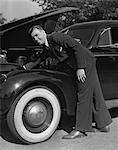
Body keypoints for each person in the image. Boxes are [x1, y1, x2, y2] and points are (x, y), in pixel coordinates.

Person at [25, 25, 112, 139]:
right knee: (95, 92)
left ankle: (80, 129)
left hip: (84, 62)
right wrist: (26, 67)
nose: (36, 39)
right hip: (85, 62)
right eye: (33, 38)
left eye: (37, 35)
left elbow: (77, 47)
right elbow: (41, 59)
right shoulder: (47, 46)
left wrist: (80, 68)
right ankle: (103, 124)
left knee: (83, 94)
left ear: (43, 32)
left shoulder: (56, 37)